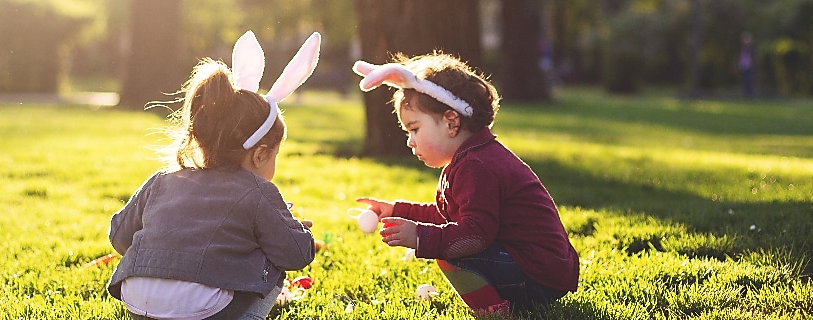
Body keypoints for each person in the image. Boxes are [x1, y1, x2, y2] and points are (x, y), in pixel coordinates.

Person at [106, 31, 321, 320]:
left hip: (139, 305)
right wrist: (295, 230)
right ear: (259, 154)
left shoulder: (162, 181)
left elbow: (119, 237)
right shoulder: (258, 191)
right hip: (207, 310)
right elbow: (295, 255)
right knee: (273, 260)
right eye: (274, 155)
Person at [351, 53, 579, 316]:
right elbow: (446, 216)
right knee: (445, 238)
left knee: (449, 250)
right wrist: (395, 210)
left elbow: (474, 235)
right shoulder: (469, 158)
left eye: (414, 129)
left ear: (451, 122)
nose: (410, 142)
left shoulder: (477, 166)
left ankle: (493, 311)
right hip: (539, 268)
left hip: (537, 274)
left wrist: (420, 237)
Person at [739, 32, 755, 99]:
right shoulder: (743, 48)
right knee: (745, 81)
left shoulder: (750, 49)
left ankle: (749, 95)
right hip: (744, 67)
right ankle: (746, 94)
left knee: (749, 81)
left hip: (749, 67)